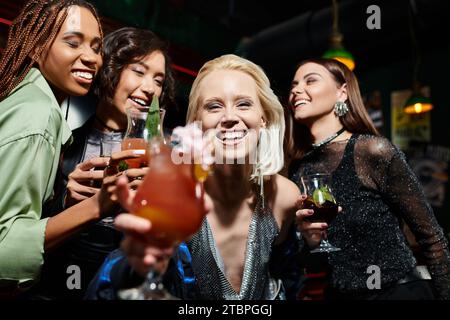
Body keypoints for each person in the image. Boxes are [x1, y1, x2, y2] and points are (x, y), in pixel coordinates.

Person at [86, 54, 303, 300]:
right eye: (214, 106)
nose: (229, 117)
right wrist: (137, 269)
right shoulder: (172, 195)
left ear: (263, 119)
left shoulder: (285, 196)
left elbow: (289, 277)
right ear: (198, 124)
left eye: (243, 104)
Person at [287, 58, 450, 299]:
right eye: (294, 85)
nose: (296, 90)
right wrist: (311, 242)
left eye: (310, 80)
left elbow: (432, 238)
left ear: (342, 93)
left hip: (398, 293)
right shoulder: (299, 169)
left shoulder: (372, 151)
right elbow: (311, 264)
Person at [35, 27, 176, 299]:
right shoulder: (64, 143)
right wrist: (66, 201)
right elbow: (27, 233)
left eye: (158, 80)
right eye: (138, 71)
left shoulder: (166, 151)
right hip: (65, 282)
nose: (150, 88)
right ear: (110, 68)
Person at [0, 0, 112, 296]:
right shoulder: (38, 114)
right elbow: (3, 248)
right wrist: (99, 205)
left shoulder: (28, 99)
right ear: (37, 48)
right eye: (73, 43)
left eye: (96, 47)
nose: (90, 58)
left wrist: (65, 204)